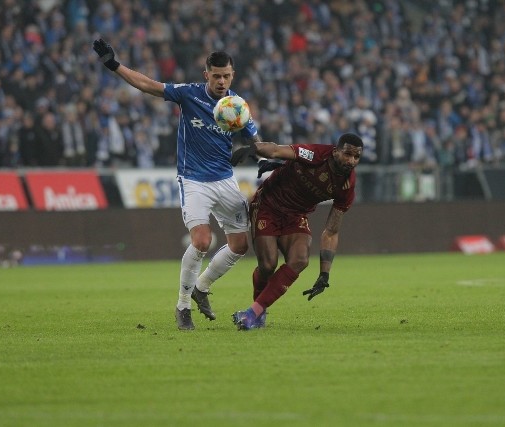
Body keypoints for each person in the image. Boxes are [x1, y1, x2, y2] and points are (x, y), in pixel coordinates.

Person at [93, 38, 261, 330]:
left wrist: (253, 151)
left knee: (240, 245)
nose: (222, 81)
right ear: (205, 73)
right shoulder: (188, 95)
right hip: (194, 179)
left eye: (227, 75)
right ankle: (183, 306)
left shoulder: (236, 106)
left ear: (233, 75)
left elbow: (257, 142)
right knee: (201, 241)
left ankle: (202, 287)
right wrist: (113, 65)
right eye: (216, 75)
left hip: (224, 179)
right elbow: (148, 85)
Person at [229, 133, 364, 330]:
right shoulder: (316, 155)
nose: (351, 161)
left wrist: (324, 274)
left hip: (296, 215)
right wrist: (253, 149)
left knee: (300, 259)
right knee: (268, 265)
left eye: (356, 157)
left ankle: (253, 313)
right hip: (268, 204)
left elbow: (331, 231)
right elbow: (276, 150)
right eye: (347, 154)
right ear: (335, 152)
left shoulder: (347, 186)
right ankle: (257, 312)